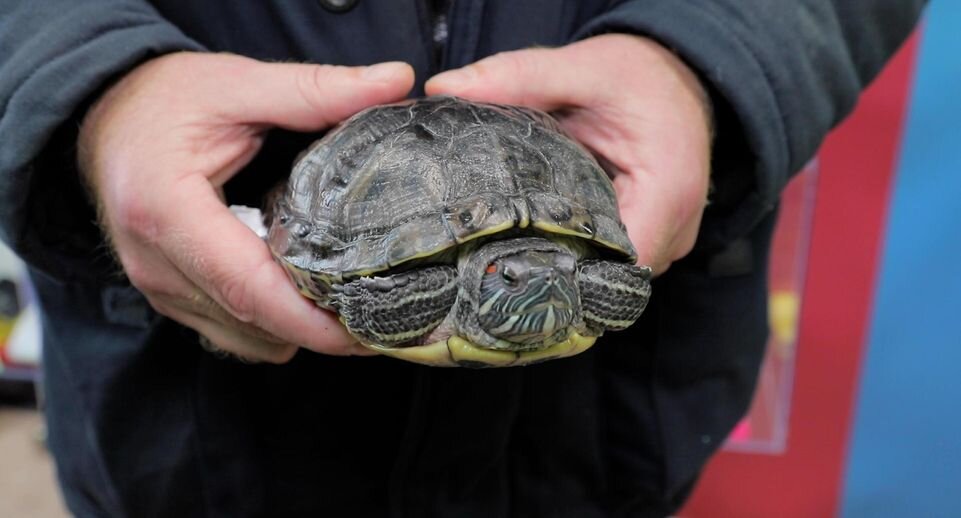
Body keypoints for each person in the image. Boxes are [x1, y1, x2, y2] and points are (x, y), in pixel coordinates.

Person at [0, 1, 926, 516]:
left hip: (602, 463)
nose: (536, 281)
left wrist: (710, 51)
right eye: (513, 278)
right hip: (186, 456)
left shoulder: (574, 281)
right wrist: (90, 84)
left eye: (532, 275)